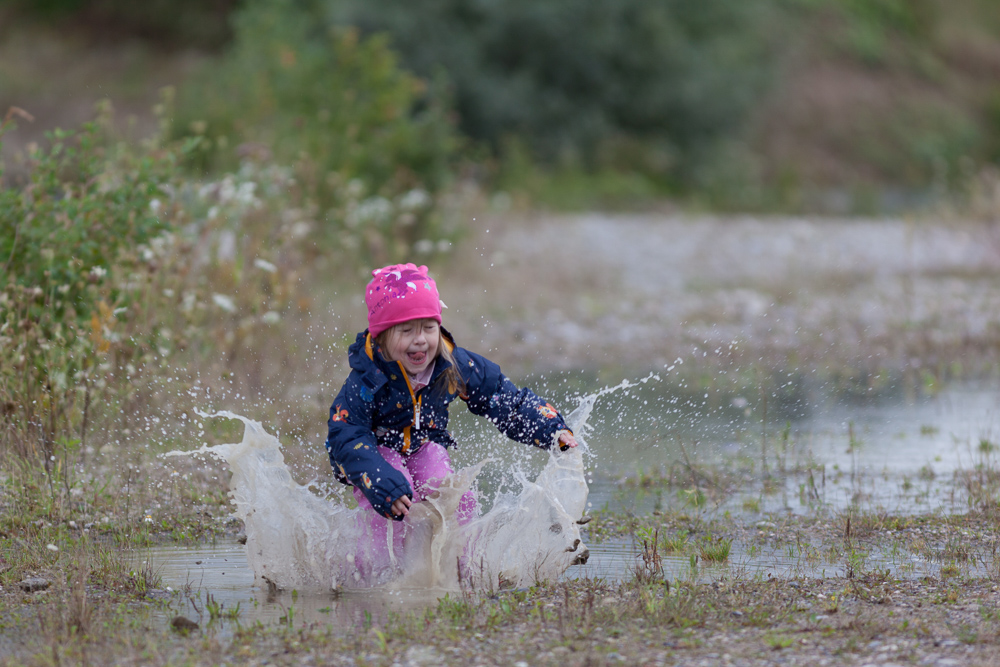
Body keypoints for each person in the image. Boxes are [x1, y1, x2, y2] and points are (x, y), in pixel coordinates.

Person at [324, 263, 578, 536]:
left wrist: (551, 428)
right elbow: (346, 436)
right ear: (382, 336)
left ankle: (460, 568)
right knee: (399, 496)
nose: (420, 340)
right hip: (375, 454)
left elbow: (505, 398)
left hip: (423, 445)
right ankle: (379, 574)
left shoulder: (452, 364)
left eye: (428, 327)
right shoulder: (367, 378)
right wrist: (378, 480)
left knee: (454, 497)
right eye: (406, 330)